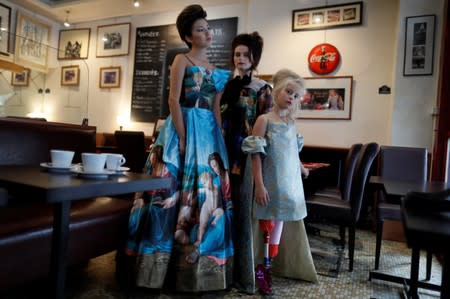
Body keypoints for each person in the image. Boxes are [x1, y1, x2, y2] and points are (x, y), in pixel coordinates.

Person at [124, 4, 233, 292]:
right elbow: (173, 101)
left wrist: (219, 140)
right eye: (200, 29)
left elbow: (215, 108)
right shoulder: (181, 59)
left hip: (209, 132)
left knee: (205, 193)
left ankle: (199, 268)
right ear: (188, 36)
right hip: (181, 126)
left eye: (208, 28)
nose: (207, 33)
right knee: (168, 189)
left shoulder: (219, 73)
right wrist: (183, 137)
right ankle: (155, 271)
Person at [241, 69, 318, 295]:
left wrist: (302, 168)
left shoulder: (290, 123)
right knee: (267, 226)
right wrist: (260, 184)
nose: (291, 98)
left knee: (279, 225)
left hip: (290, 186)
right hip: (270, 184)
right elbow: (256, 154)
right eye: (289, 92)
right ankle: (261, 267)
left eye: (296, 96)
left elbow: (293, 152)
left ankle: (269, 265)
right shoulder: (264, 120)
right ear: (277, 91)